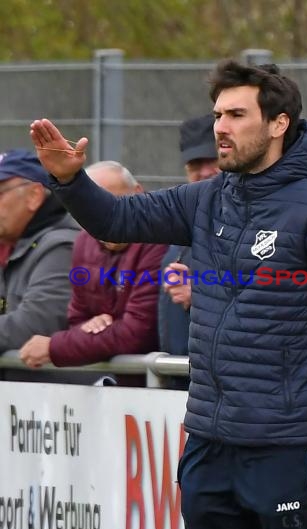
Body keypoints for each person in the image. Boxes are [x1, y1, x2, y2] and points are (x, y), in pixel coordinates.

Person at [30, 58, 307, 529]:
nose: (220, 127)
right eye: (218, 114)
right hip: (208, 447)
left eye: (237, 115)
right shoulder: (207, 199)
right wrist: (69, 178)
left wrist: (299, 408)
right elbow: (117, 217)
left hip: (282, 449)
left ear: (278, 124)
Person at [20, 160, 166, 386]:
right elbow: (78, 319)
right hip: (115, 389)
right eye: (89, 209)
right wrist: (94, 328)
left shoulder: (160, 238)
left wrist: (54, 347)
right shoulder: (83, 243)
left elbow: (136, 333)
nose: (101, 217)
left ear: (138, 192)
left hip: (160, 391)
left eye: (110, 204)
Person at [0, 148, 79, 381]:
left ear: (34, 195)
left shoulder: (62, 246)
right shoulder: (15, 245)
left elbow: (32, 324)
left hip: (56, 408)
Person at [158, 113, 219, 389]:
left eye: (213, 160)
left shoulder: (257, 222)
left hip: (224, 392)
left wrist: (201, 294)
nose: (204, 171)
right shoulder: (184, 223)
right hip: (178, 386)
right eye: (195, 164)